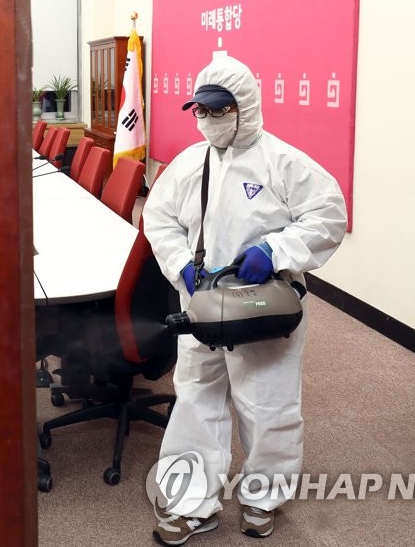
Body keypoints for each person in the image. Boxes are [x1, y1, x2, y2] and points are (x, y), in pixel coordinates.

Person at [142, 54, 347, 544]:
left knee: (268, 403)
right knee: (197, 398)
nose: (208, 119)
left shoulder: (283, 163)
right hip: (204, 305)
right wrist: (182, 265)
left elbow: (328, 217)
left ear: (245, 107)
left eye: (219, 110)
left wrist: (273, 250)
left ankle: (263, 498)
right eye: (201, 110)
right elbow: (159, 218)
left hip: (263, 306)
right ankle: (192, 503)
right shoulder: (189, 164)